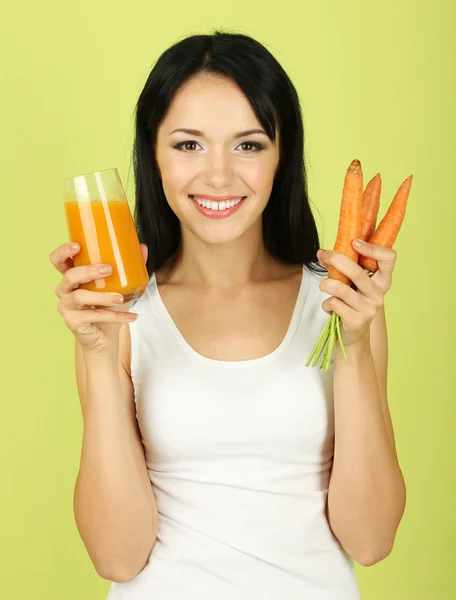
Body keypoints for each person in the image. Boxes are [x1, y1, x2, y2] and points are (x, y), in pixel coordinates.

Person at [49, 30, 406, 600]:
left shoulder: (340, 305)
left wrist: (356, 346)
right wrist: (96, 352)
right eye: (188, 145)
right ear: (153, 155)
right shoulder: (120, 314)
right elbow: (117, 556)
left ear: (282, 155)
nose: (217, 176)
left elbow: (371, 540)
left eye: (248, 145)